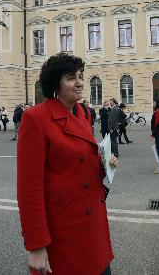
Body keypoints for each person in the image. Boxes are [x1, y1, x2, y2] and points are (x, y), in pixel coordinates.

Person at [17, 54, 117, 275]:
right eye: (71, 78)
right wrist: (37, 245)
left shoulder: (82, 113)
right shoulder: (36, 118)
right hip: (63, 229)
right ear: (56, 84)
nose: (80, 82)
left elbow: (79, 163)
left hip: (93, 225)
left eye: (80, 76)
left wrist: (104, 164)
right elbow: (29, 189)